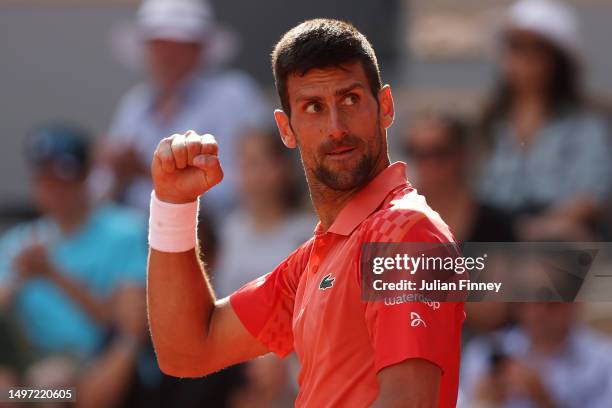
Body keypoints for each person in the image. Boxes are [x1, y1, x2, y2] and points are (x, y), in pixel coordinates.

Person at [146, 19, 464, 407]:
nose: (336, 127)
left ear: (384, 107)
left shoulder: (404, 232)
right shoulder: (314, 260)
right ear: (286, 128)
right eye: (314, 107)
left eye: (350, 100)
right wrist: (173, 205)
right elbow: (189, 350)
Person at [0, 124, 149, 407]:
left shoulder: (125, 232)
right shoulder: (19, 241)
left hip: (87, 366)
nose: (52, 189)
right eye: (43, 179)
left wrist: (53, 275)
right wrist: (20, 277)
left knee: (50, 387)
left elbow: (124, 322)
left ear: (85, 177)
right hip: (25, 362)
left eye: (61, 179)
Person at [96, 0, 269, 213]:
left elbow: (251, 186)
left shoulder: (234, 97)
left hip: (212, 241)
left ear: (199, 49)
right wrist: (115, 172)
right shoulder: (135, 104)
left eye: (177, 44)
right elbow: (98, 189)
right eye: (159, 44)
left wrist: (149, 172)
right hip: (140, 237)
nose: (166, 54)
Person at [478, 0, 612, 241]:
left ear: (557, 59)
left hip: (559, 240)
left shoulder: (585, 123)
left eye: (533, 48)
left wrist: (541, 229)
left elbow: (592, 195)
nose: (521, 58)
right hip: (499, 239)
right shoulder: (491, 122)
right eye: (513, 46)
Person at [459, 302, 612, 408]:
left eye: (552, 304)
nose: (539, 312)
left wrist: (545, 400)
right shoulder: (482, 352)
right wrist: (482, 401)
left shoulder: (604, 359)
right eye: (532, 301)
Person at [403, 113, 515, 243]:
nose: (431, 165)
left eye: (440, 153)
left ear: (461, 155)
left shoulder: (496, 224)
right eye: (419, 154)